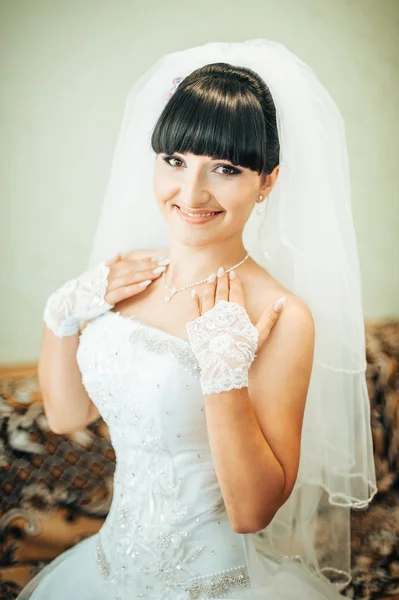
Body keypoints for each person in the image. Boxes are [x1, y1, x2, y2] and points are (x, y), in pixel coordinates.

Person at [17, 39, 377, 599]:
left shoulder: (282, 315)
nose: (191, 192)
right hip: (105, 570)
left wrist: (223, 377)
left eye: (226, 168)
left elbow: (252, 512)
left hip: (215, 582)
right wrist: (59, 319)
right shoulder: (127, 273)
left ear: (268, 182)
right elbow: (68, 416)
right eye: (175, 161)